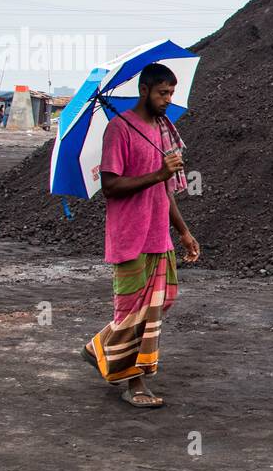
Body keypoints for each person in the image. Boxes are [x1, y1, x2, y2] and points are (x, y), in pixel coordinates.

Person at [82, 62, 200, 408]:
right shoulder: (119, 130)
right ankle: (135, 385)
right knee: (133, 312)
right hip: (130, 235)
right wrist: (158, 172)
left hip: (158, 234)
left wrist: (184, 232)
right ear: (144, 90)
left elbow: (166, 191)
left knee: (159, 304)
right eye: (163, 92)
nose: (168, 99)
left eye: (172, 93)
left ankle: (99, 347)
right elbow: (110, 186)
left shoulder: (161, 130)